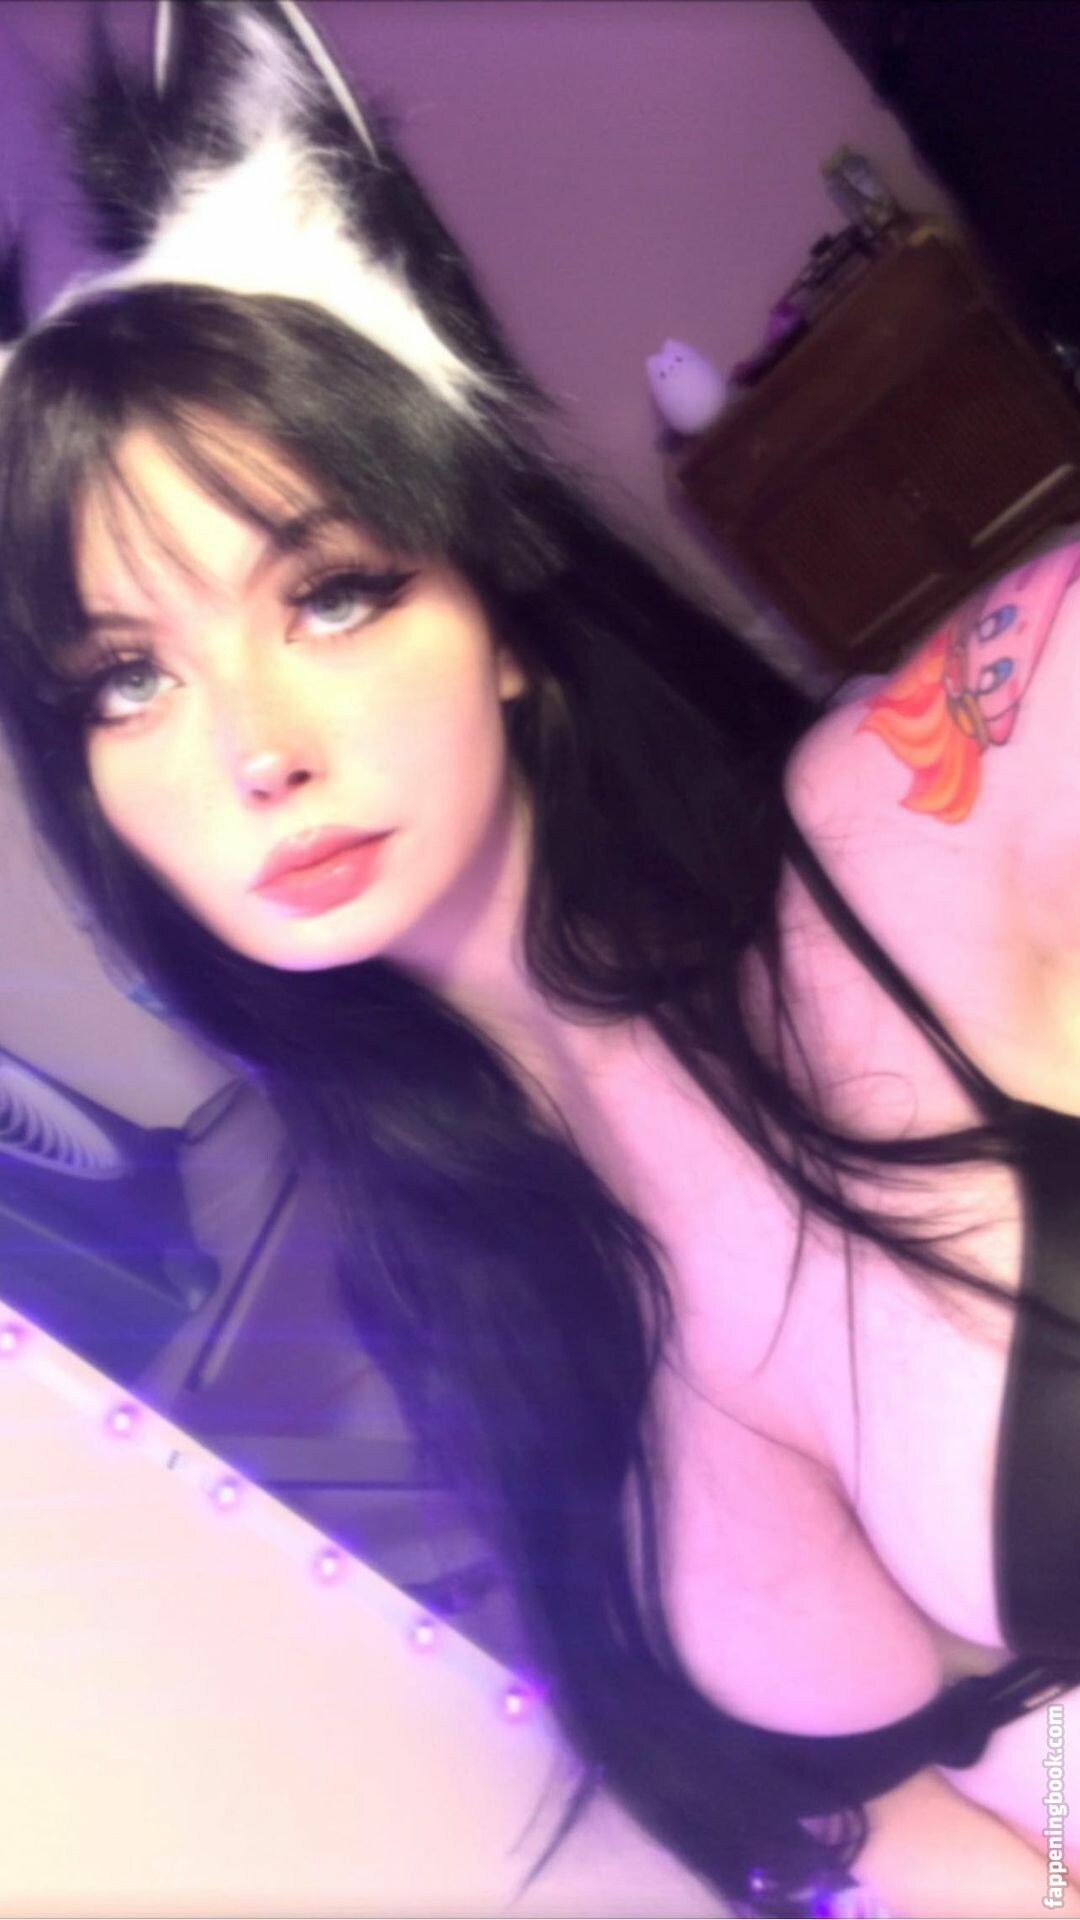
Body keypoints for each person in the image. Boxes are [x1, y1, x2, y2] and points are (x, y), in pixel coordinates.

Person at [0, 4, 1079, 1915]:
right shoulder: (454, 1300)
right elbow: (871, 1822)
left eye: (332, 593)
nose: (255, 747)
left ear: (495, 606)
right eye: (129, 681)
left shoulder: (905, 838)